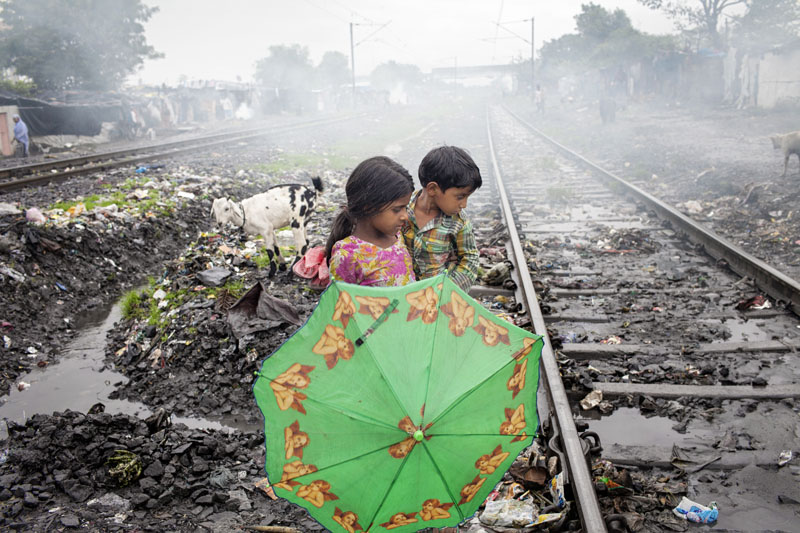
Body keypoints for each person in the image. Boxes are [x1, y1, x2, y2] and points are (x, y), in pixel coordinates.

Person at [325, 156, 416, 287]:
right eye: (397, 210)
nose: (405, 216)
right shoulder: (348, 255)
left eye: (405, 208)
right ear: (368, 207)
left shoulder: (396, 236)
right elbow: (340, 303)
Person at [403, 146, 482, 292]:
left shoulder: (459, 223)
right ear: (433, 189)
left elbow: (469, 259)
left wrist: (448, 291)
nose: (464, 205)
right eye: (460, 196)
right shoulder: (402, 210)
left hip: (437, 297)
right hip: (402, 294)